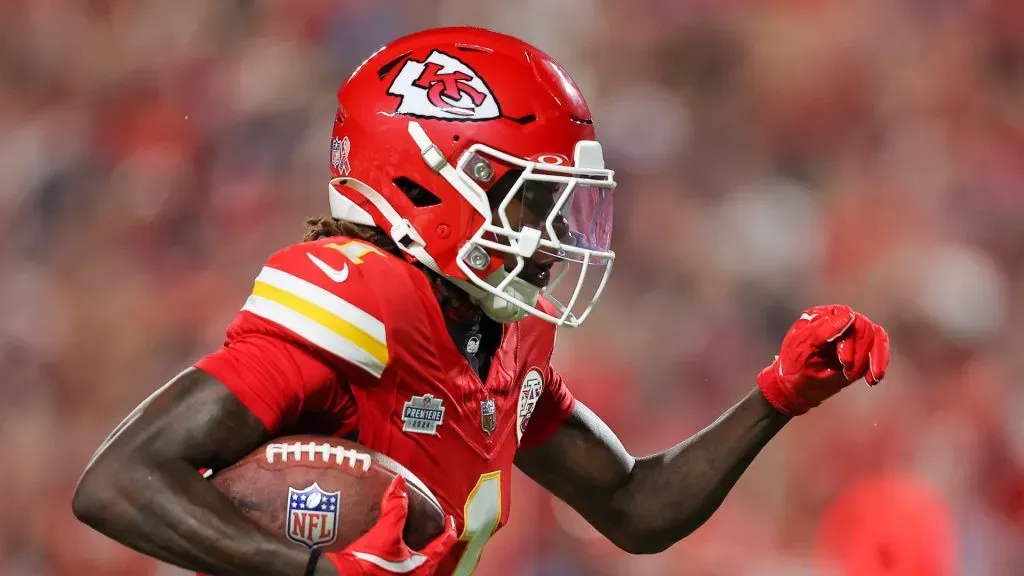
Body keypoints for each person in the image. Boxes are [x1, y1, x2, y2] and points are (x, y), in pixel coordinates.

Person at [71, 26, 890, 576]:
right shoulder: (369, 302)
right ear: (427, 179)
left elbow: (637, 509)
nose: (553, 229)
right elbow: (117, 481)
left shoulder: (494, 331)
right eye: (530, 200)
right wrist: (313, 570)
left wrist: (777, 396)